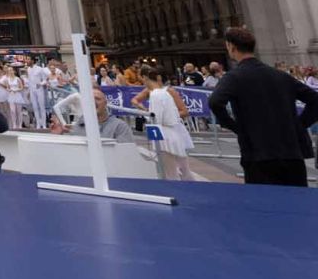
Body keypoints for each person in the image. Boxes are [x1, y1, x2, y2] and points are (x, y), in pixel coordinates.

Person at [208, 26, 318, 186]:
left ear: (231, 47)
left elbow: (215, 101)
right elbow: (315, 100)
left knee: (264, 199)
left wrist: (234, 126)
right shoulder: (281, 75)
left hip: (257, 152)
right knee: (296, 197)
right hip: (290, 152)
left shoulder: (234, 77)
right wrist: (300, 124)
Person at [133, 68, 194, 181]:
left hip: (165, 134)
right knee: (183, 171)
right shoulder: (163, 93)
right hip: (172, 132)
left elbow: (156, 118)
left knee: (171, 173)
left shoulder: (157, 94)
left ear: (146, 78)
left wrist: (147, 116)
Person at [50, 87, 134, 143]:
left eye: (97, 99)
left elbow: (126, 155)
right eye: (89, 99)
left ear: (106, 103)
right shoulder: (78, 126)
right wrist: (57, 136)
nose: (93, 102)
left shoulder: (119, 127)